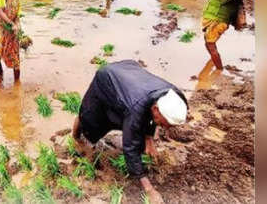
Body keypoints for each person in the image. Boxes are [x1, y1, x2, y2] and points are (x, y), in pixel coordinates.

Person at [72, 60, 188, 204]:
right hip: (107, 79)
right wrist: (149, 190)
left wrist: (149, 138)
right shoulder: (136, 108)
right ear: (156, 110)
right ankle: (76, 137)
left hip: (129, 75)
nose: (166, 128)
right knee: (89, 118)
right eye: (165, 124)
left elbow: (150, 116)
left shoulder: (175, 96)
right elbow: (130, 149)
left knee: (131, 122)